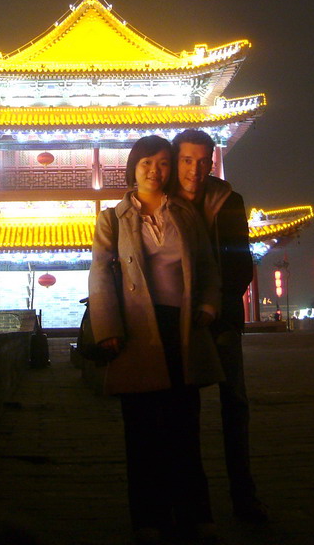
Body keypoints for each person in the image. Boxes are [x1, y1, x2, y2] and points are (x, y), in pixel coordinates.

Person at [88, 135, 224, 544]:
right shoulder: (113, 217)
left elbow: (207, 265)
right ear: (133, 166)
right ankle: (148, 517)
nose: (155, 170)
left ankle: (193, 513)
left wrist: (209, 305)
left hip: (181, 327)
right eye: (147, 162)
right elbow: (98, 274)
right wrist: (108, 328)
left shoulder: (185, 212)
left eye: (163, 163)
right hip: (136, 329)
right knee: (142, 428)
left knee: (185, 424)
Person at [172, 129, 268, 524]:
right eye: (186, 160)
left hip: (223, 319)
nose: (195, 170)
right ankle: (194, 502)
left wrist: (220, 308)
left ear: (212, 161)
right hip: (178, 323)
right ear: (175, 161)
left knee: (235, 406)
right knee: (183, 411)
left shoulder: (229, 202)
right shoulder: (161, 202)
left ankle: (244, 494)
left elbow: (240, 261)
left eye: (202, 161)